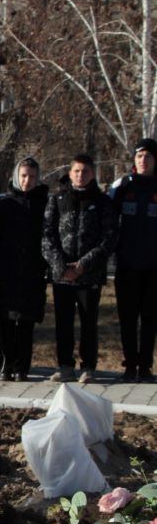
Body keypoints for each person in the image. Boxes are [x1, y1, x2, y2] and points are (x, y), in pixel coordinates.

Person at [43, 153, 118, 383]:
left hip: (89, 275)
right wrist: (60, 265)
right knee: (63, 323)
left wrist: (83, 265)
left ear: (92, 173)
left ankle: (89, 367)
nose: (80, 175)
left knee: (88, 322)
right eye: (76, 171)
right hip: (62, 275)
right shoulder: (57, 199)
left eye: (85, 171)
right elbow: (47, 235)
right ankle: (65, 366)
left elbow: (109, 239)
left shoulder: (103, 202)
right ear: (70, 172)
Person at [0, 157, 48, 380]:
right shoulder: (6, 204)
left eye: (32, 176)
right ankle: (5, 364)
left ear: (38, 178)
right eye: (24, 176)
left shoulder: (44, 204)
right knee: (6, 321)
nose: (27, 180)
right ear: (17, 177)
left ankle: (22, 367)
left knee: (26, 322)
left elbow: (48, 238)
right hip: (6, 272)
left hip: (32, 273)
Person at [110, 138, 157, 382]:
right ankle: (130, 366)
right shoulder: (123, 188)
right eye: (139, 157)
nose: (143, 161)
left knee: (150, 320)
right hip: (127, 266)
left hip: (153, 269)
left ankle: (145, 367)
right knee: (127, 319)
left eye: (148, 157)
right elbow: (109, 223)